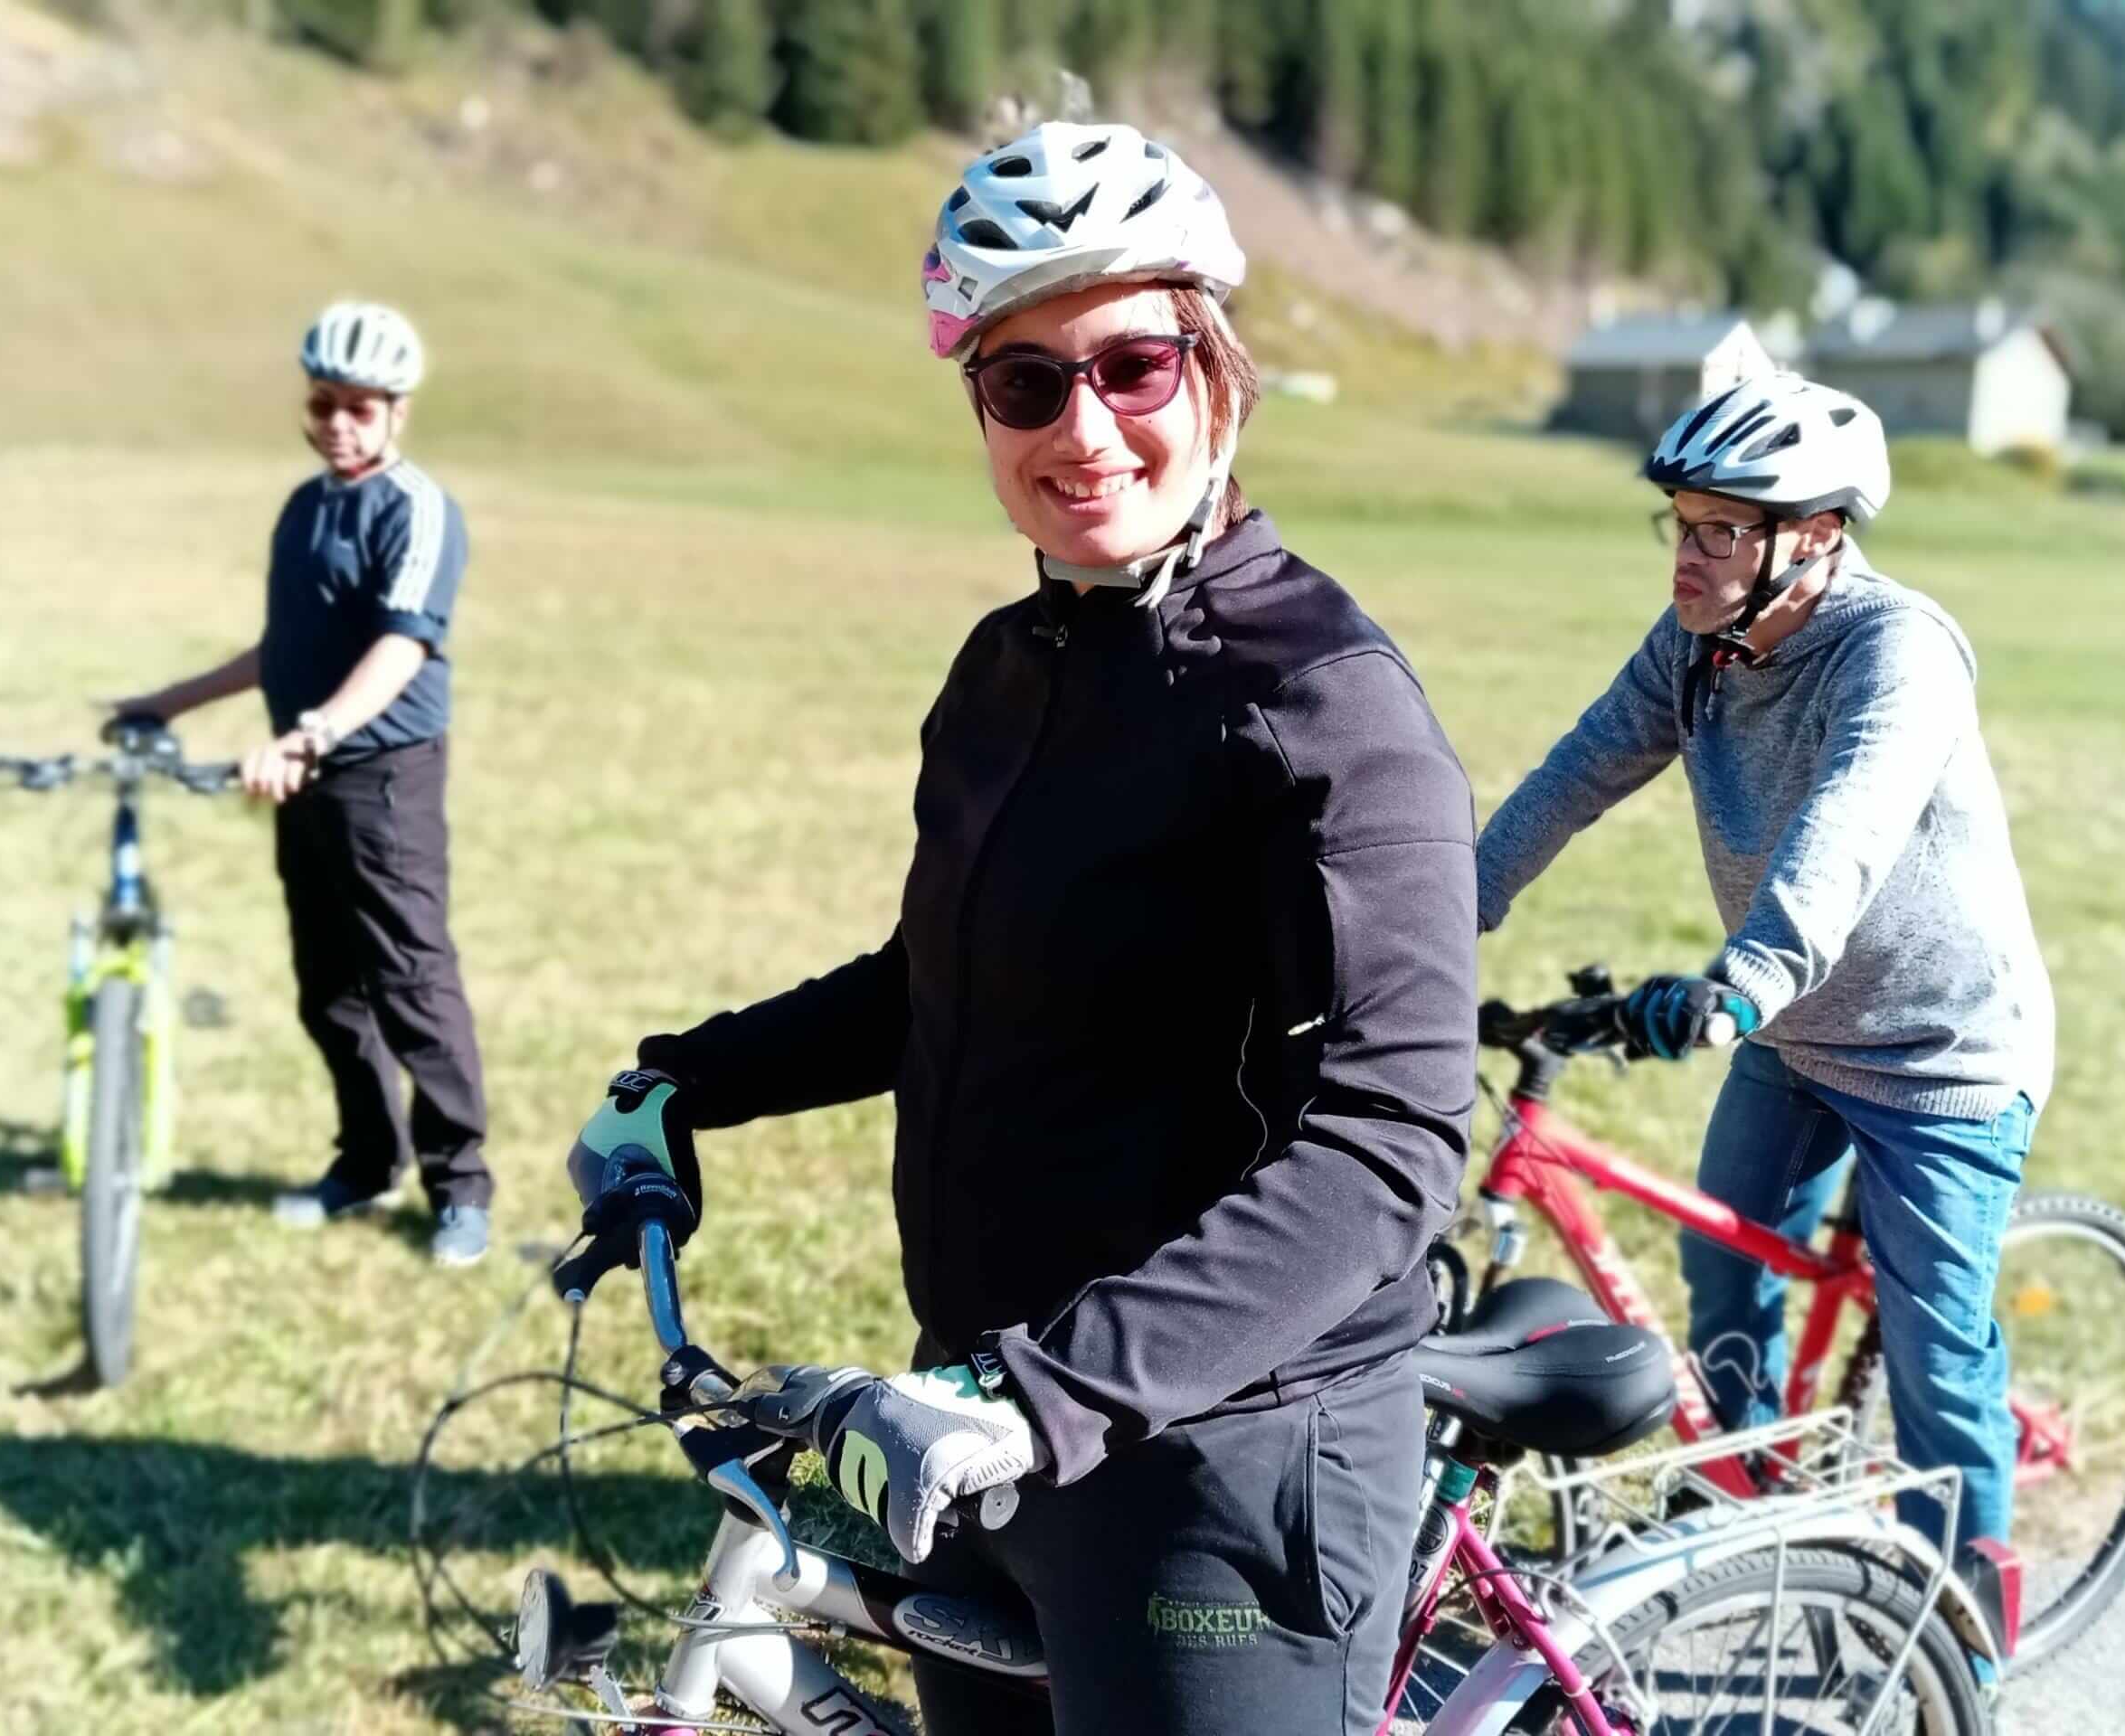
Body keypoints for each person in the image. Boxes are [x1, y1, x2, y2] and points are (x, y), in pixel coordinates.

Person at [566, 123, 1477, 1734]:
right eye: (1027, 383)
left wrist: (1037, 1397)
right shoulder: (1009, 667)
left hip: (1222, 1456)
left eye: (1134, 366)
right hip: (977, 1418)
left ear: (1221, 372)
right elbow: (938, 981)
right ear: (979, 407)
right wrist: (684, 1081)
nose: (1086, 427)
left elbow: (1390, 1149)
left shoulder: (1324, 707)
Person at [1474, 373, 2053, 1567]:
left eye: (1720, 531)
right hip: (1796, 1034)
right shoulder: (1695, 649)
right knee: (1725, 1264)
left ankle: (1958, 1634)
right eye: (1680, 524)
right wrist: (1448, 913)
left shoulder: (1897, 652)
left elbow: (1851, 822)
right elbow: (1577, 772)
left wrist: (1748, 979)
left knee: (1935, 1360)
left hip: (1937, 1057)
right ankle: (1739, 1510)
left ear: (1818, 536)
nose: (1685, 558)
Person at [108, 300, 494, 1267]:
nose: (339, 424)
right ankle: (366, 1163)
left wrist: (311, 734)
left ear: (397, 411)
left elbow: (403, 648)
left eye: (361, 408)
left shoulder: (417, 510)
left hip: (383, 777)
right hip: (303, 776)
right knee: (327, 991)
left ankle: (460, 1189)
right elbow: (281, 649)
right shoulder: (304, 507)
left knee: (410, 983)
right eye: (325, 404)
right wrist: (167, 701)